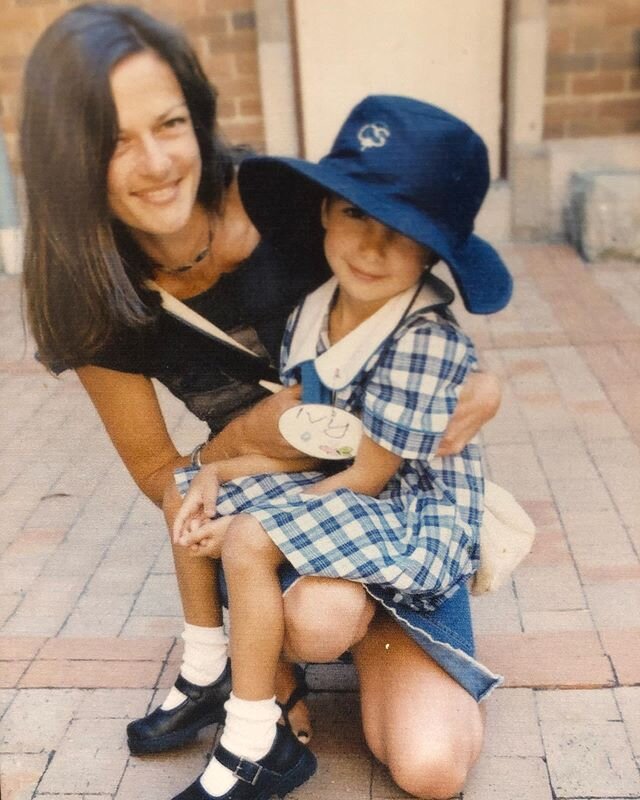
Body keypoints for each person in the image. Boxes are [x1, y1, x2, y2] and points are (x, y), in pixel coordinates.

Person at [20, 5, 503, 798]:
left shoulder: (288, 207)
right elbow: (158, 471)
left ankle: (341, 644)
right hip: (286, 498)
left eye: (169, 123)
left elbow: (415, 289)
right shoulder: (83, 291)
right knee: (318, 614)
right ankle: (254, 679)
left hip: (388, 498)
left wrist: (484, 382)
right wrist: (246, 446)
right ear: (65, 157)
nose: (155, 162)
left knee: (431, 765)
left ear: (198, 119)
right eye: (111, 140)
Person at [169, 96, 511, 800]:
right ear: (325, 211)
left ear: (435, 250)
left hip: (405, 525)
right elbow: (310, 439)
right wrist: (212, 470)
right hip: (343, 499)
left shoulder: (425, 340)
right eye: (357, 213)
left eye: (404, 231)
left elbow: (365, 474)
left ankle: (375, 657)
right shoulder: (310, 311)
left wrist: (252, 532)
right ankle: (238, 703)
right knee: (189, 488)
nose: (372, 247)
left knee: (430, 771)